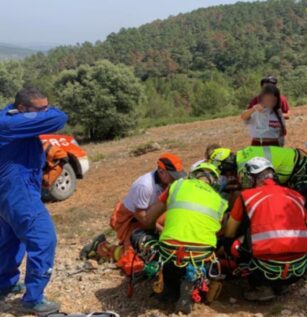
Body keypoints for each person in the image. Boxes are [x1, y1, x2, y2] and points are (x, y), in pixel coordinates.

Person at [208, 146, 307, 281]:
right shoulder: (242, 157)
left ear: (226, 165)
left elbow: (244, 192)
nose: (226, 176)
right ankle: (305, 252)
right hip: (295, 170)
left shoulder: (246, 165)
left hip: (302, 171)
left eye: (224, 173)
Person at [0, 88, 68, 315]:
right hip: (18, 193)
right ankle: (33, 299)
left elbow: (51, 115)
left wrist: (38, 113)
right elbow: (60, 117)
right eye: (40, 110)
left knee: (11, 240)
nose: (45, 113)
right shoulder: (11, 124)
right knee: (43, 238)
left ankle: (4, 284)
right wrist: (47, 114)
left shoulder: (12, 118)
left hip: (10, 192)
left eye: (46, 107)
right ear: (21, 109)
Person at [224, 157, 307, 301]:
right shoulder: (295, 195)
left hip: (265, 270)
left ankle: (261, 288)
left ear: (252, 178)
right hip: (299, 268)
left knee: (232, 244)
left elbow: (229, 232)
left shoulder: (246, 196)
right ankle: (282, 285)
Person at [146, 162, 228, 314]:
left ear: (193, 175)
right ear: (214, 181)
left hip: (169, 252)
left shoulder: (176, 186)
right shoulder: (220, 202)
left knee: (153, 245)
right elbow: (218, 231)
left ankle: (166, 288)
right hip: (199, 256)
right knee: (210, 252)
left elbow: (156, 217)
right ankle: (189, 287)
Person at [80, 153, 186, 262]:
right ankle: (101, 248)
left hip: (153, 219)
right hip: (132, 221)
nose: (176, 179)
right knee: (137, 259)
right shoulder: (144, 186)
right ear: (161, 172)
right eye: (173, 176)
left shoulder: (170, 183)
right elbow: (144, 220)